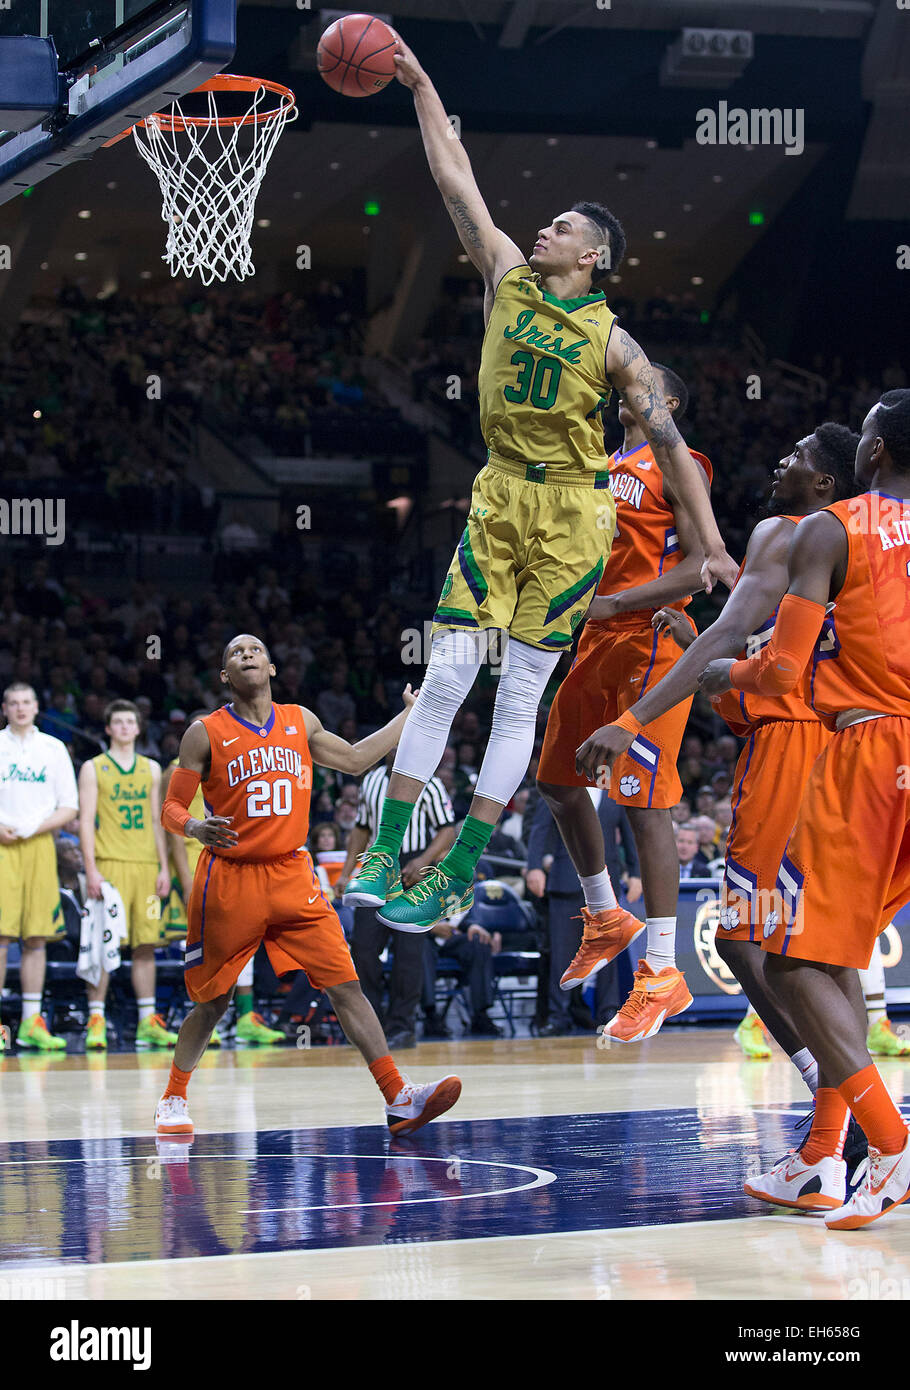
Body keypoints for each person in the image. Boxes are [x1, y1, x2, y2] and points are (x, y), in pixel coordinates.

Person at [344, 32, 737, 934]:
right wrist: (419, 80)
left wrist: (711, 541)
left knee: (518, 692)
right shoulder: (507, 278)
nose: (545, 228)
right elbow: (454, 180)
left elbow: (671, 446)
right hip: (497, 494)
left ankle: (460, 870)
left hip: (571, 508)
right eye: (549, 222)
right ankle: (385, 849)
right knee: (445, 676)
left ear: (595, 256)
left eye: (565, 226)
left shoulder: (616, 344)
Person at [578, 424, 860, 1097]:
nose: (779, 461)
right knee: (824, 942)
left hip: (791, 751)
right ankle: (850, 1116)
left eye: (795, 457)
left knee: (743, 939)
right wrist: (707, 650)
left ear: (824, 482)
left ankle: (836, 1089)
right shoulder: (855, 540)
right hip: (845, 747)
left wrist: (630, 718)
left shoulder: (784, 531)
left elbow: (742, 646)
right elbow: (754, 666)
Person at [696, 391, 910, 1228]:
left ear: (877, 455)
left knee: (787, 957)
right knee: (834, 951)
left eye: (862, 436)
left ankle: (889, 1142)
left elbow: (781, 673)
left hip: (868, 748)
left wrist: (726, 674)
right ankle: (820, 1158)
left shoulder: (835, 527)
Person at [158, 634, 461, 1138]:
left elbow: (357, 759)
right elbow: (171, 808)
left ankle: (398, 1097)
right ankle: (173, 1096)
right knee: (213, 1002)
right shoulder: (203, 733)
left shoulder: (301, 721)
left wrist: (409, 717)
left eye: (255, 649)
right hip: (231, 879)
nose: (246, 655)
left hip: (292, 874)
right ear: (224, 677)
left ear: (273, 667)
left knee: (346, 985)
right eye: (234, 652)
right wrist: (193, 827)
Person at [536, 368, 712, 1040]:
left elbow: (700, 565)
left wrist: (617, 602)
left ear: (667, 402)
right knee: (556, 778)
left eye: (638, 385)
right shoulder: (604, 465)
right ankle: (606, 914)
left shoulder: (679, 460)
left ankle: (662, 972)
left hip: (652, 637)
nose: (620, 391)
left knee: (644, 799)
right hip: (596, 637)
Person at [340, 752, 456, 1048]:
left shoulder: (430, 783)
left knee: (408, 954)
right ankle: (371, 1024)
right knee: (364, 950)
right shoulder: (373, 779)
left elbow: (447, 830)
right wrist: (346, 871)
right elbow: (362, 828)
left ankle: (402, 1027)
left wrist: (423, 860)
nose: (397, 748)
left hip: (414, 869)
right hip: (378, 864)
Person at [78, 700, 174, 1049]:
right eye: (116, 722)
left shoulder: (151, 768)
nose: (122, 727)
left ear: (137, 729)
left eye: (128, 722)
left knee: (146, 944)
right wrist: (91, 869)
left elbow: (156, 821)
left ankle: (148, 1021)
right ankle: (97, 1020)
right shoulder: (93, 768)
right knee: (106, 945)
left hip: (147, 871)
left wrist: (164, 867)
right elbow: (86, 822)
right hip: (111, 868)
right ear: (108, 729)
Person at [0, 682, 78, 1051]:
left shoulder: (53, 748)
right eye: (13, 703)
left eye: (26, 702)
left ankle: (31, 1022)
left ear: (36, 706)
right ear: (5, 708)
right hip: (1, 848)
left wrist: (34, 826)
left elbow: (69, 807)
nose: (20, 708)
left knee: (36, 937)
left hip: (40, 845)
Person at [526, 788, 640, 1036]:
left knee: (608, 950)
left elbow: (629, 833)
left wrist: (636, 873)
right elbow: (540, 828)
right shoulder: (560, 785)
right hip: (566, 879)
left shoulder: (616, 793)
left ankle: (608, 1013)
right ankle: (558, 1015)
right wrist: (533, 866)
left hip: (608, 881)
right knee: (562, 953)